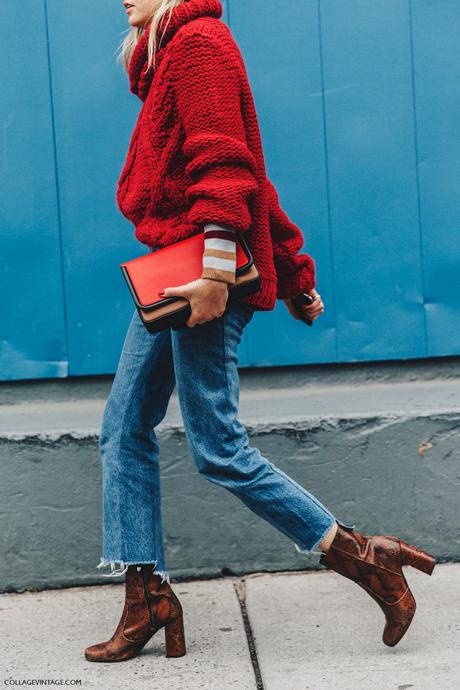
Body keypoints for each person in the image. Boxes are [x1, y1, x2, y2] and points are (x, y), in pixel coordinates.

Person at [84, 0, 435, 663]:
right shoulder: (175, 57)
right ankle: (147, 597)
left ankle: (367, 558)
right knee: (122, 427)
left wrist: (218, 277)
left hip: (199, 276)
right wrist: (298, 276)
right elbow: (257, 180)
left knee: (217, 448)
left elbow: (228, 170)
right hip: (172, 273)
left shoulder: (199, 45)